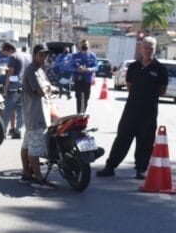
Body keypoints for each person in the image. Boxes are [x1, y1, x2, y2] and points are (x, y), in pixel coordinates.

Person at [96, 36, 169, 180]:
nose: (148, 51)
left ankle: (141, 169)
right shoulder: (134, 67)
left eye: (151, 48)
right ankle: (110, 167)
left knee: (145, 142)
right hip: (131, 111)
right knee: (122, 139)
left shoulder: (160, 69)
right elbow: (129, 86)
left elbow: (162, 90)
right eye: (146, 48)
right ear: (141, 48)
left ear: (155, 49)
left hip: (149, 112)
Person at [20, 43, 56, 187]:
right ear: (34, 55)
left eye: (45, 55)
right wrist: (48, 87)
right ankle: (38, 177)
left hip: (37, 113)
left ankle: (26, 173)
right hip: (36, 114)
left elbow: (48, 88)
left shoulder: (40, 70)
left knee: (27, 145)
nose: (44, 58)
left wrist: (48, 87)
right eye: (41, 55)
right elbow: (41, 91)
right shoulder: (31, 70)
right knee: (33, 149)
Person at [2, 41, 29, 139]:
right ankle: (19, 131)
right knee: (21, 110)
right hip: (25, 86)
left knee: (7, 110)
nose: (5, 55)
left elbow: (10, 73)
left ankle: (2, 131)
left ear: (9, 50)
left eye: (5, 52)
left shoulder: (13, 57)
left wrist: (5, 88)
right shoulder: (27, 56)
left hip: (14, 86)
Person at [71, 39, 97, 114]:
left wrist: (90, 69)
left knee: (86, 98)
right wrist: (76, 69)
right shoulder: (75, 56)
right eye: (83, 44)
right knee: (79, 97)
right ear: (80, 46)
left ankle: (83, 112)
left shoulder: (92, 56)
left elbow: (96, 66)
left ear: (88, 46)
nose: (85, 45)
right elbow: (70, 66)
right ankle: (79, 113)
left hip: (87, 80)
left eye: (86, 44)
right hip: (78, 79)